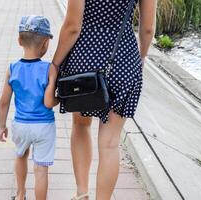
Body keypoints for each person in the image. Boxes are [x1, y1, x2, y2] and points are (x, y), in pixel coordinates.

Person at [52, 0, 157, 199]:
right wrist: (140, 58)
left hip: (84, 59)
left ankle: (82, 193)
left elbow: (73, 26)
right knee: (109, 143)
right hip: (123, 60)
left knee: (81, 126)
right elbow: (148, 29)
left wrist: (55, 64)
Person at [0, 15, 59, 200]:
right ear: (45, 44)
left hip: (20, 125)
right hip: (43, 127)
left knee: (21, 156)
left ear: (19, 41)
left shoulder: (12, 68)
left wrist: (2, 126)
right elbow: (49, 103)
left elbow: (3, 101)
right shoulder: (49, 69)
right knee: (41, 169)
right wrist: (59, 100)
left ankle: (20, 194)